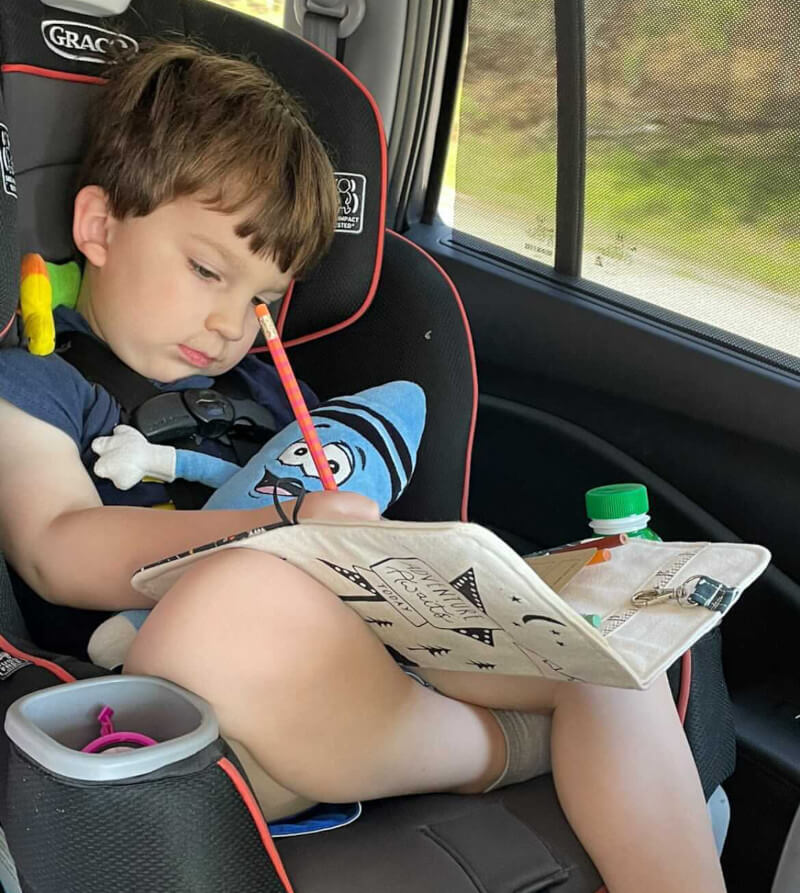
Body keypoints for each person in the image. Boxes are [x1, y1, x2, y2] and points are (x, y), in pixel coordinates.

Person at [0, 42, 725, 893]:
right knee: (227, 607)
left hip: (364, 657)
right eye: (206, 269)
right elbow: (54, 543)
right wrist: (281, 526)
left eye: (263, 300)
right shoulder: (38, 380)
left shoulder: (271, 391)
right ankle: (498, 749)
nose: (232, 320)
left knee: (601, 636)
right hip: (183, 712)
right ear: (99, 227)